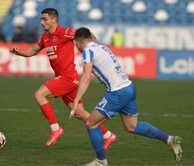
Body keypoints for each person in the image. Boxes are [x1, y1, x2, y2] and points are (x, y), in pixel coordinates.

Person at [71, 27, 183, 166]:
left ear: (78, 42)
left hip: (117, 92)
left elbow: (86, 76)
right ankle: (169, 139)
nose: (75, 46)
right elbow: (92, 41)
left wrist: (76, 99)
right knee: (132, 126)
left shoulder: (88, 51)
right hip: (129, 87)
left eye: (75, 43)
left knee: (91, 123)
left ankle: (101, 161)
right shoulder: (101, 47)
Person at [10, 8, 116, 148]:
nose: (42, 22)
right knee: (79, 113)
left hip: (67, 78)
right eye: (41, 19)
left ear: (54, 19)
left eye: (45, 19)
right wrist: (21, 53)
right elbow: (34, 50)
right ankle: (108, 135)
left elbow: (86, 36)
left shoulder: (65, 32)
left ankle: (56, 129)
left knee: (39, 94)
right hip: (64, 78)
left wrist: (97, 48)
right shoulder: (45, 37)